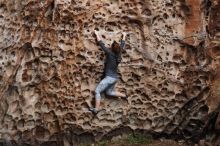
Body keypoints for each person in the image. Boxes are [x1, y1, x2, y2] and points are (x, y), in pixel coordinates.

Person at [89, 30, 128, 114]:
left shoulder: (110, 53)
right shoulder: (119, 54)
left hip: (109, 78)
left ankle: (96, 109)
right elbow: (122, 45)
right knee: (109, 92)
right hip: (114, 78)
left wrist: (96, 34)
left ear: (111, 48)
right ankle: (124, 96)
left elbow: (101, 44)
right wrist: (124, 35)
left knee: (97, 91)